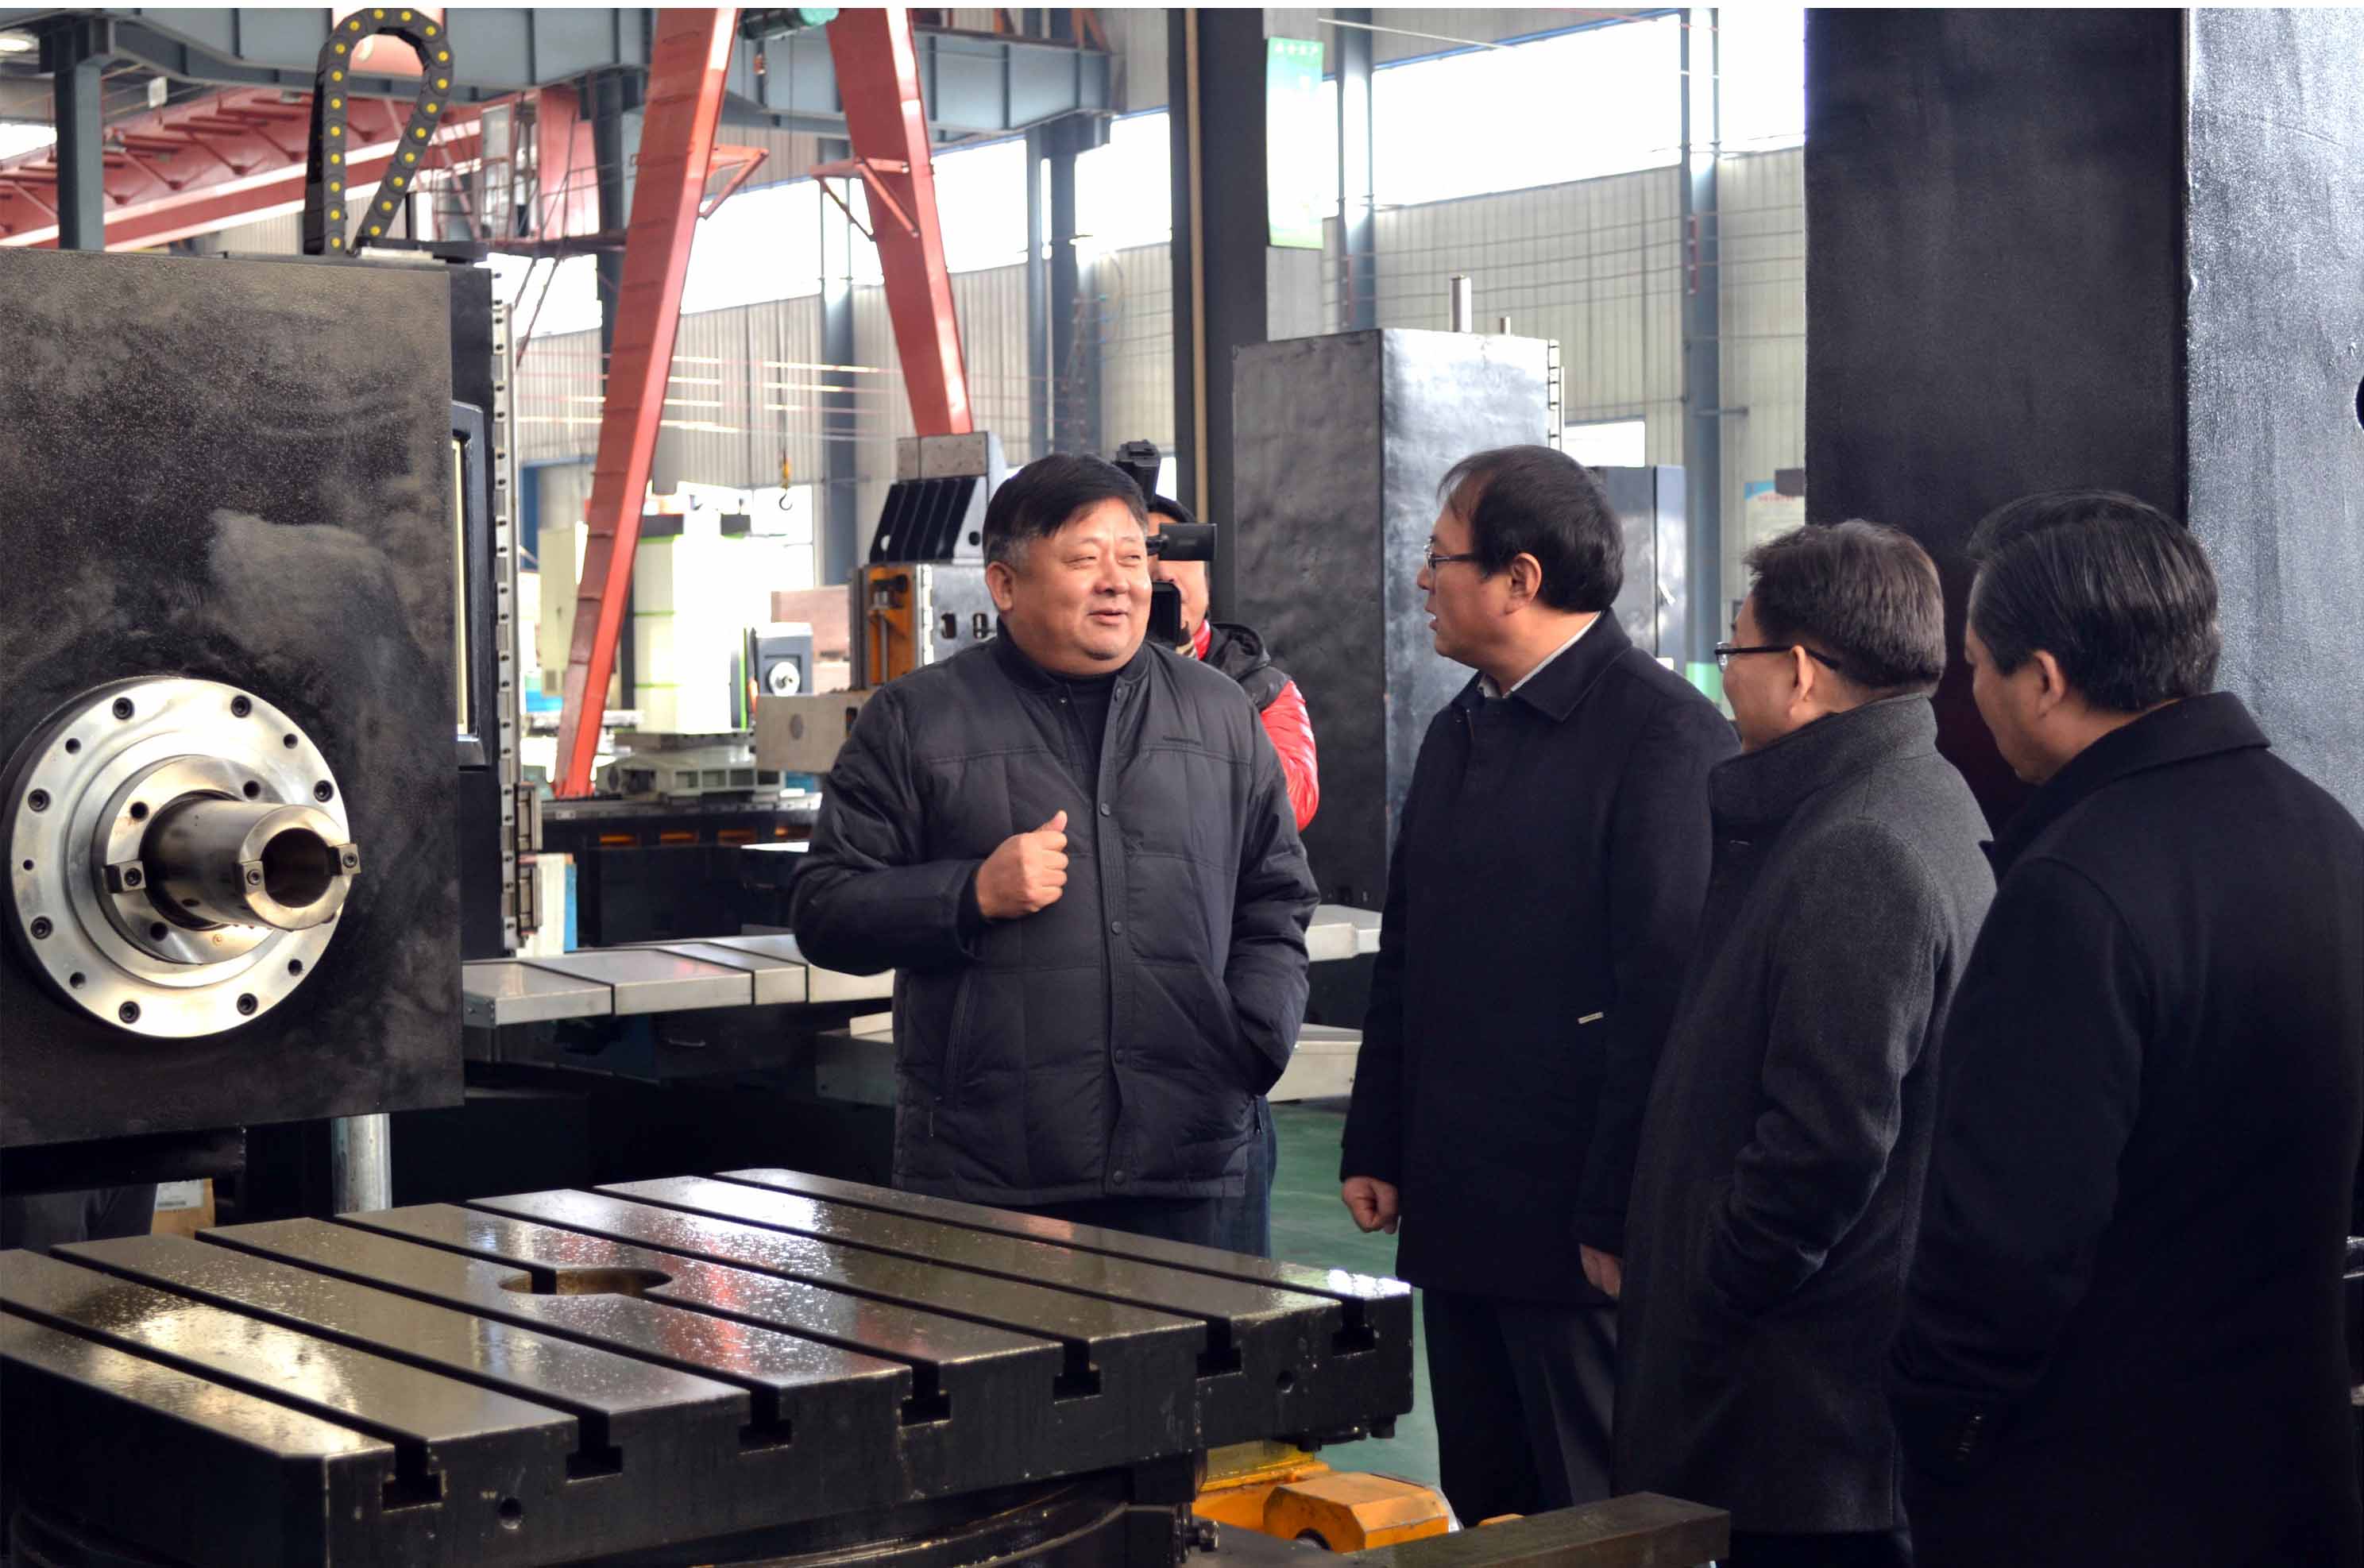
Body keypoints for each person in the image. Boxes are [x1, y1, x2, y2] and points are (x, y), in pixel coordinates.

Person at [1890, 491, 2364, 1568]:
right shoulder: (2330, 834)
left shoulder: (2075, 886)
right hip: (2297, 1472)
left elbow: (2005, 1244)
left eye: (1977, 665)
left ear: (2046, 680)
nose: (1970, 693)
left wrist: (1936, 1431)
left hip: (2096, 1491)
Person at [1338, 445, 1736, 1525]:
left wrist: (1619, 1211)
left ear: (1519, 578)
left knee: (1588, 1514)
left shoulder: (1664, 738)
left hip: (1577, 1240)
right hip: (1461, 1209)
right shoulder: (1462, 727)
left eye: (1439, 558)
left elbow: (1664, 1002)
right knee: (1489, 1508)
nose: (1422, 580)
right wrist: (1378, 1138)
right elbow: (1411, 953)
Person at [790, 454, 1317, 1253]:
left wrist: (1253, 1037)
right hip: (994, 1171)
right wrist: (971, 894)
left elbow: (1276, 895)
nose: (1119, 582)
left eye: (1132, 557)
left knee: (1203, 1342)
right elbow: (825, 910)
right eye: (1084, 559)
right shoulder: (915, 720)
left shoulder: (1220, 713)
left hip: (1193, 1155)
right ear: (1004, 584)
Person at [1615, 522, 1992, 1568]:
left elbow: (1823, 1147)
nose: (1724, 675)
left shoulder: (1860, 845)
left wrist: (1708, 1293)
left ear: (1801, 673)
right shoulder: (1911, 795)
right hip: (1803, 1405)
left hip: (1793, 1425)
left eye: (1733, 649)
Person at [1144, 493, 1320, 832]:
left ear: (1206, 580)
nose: (1164, 572)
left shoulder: (1263, 687)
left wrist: (1197, 693)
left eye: (1179, 553)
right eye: (1141, 555)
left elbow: (1292, 805)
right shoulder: (1083, 674)